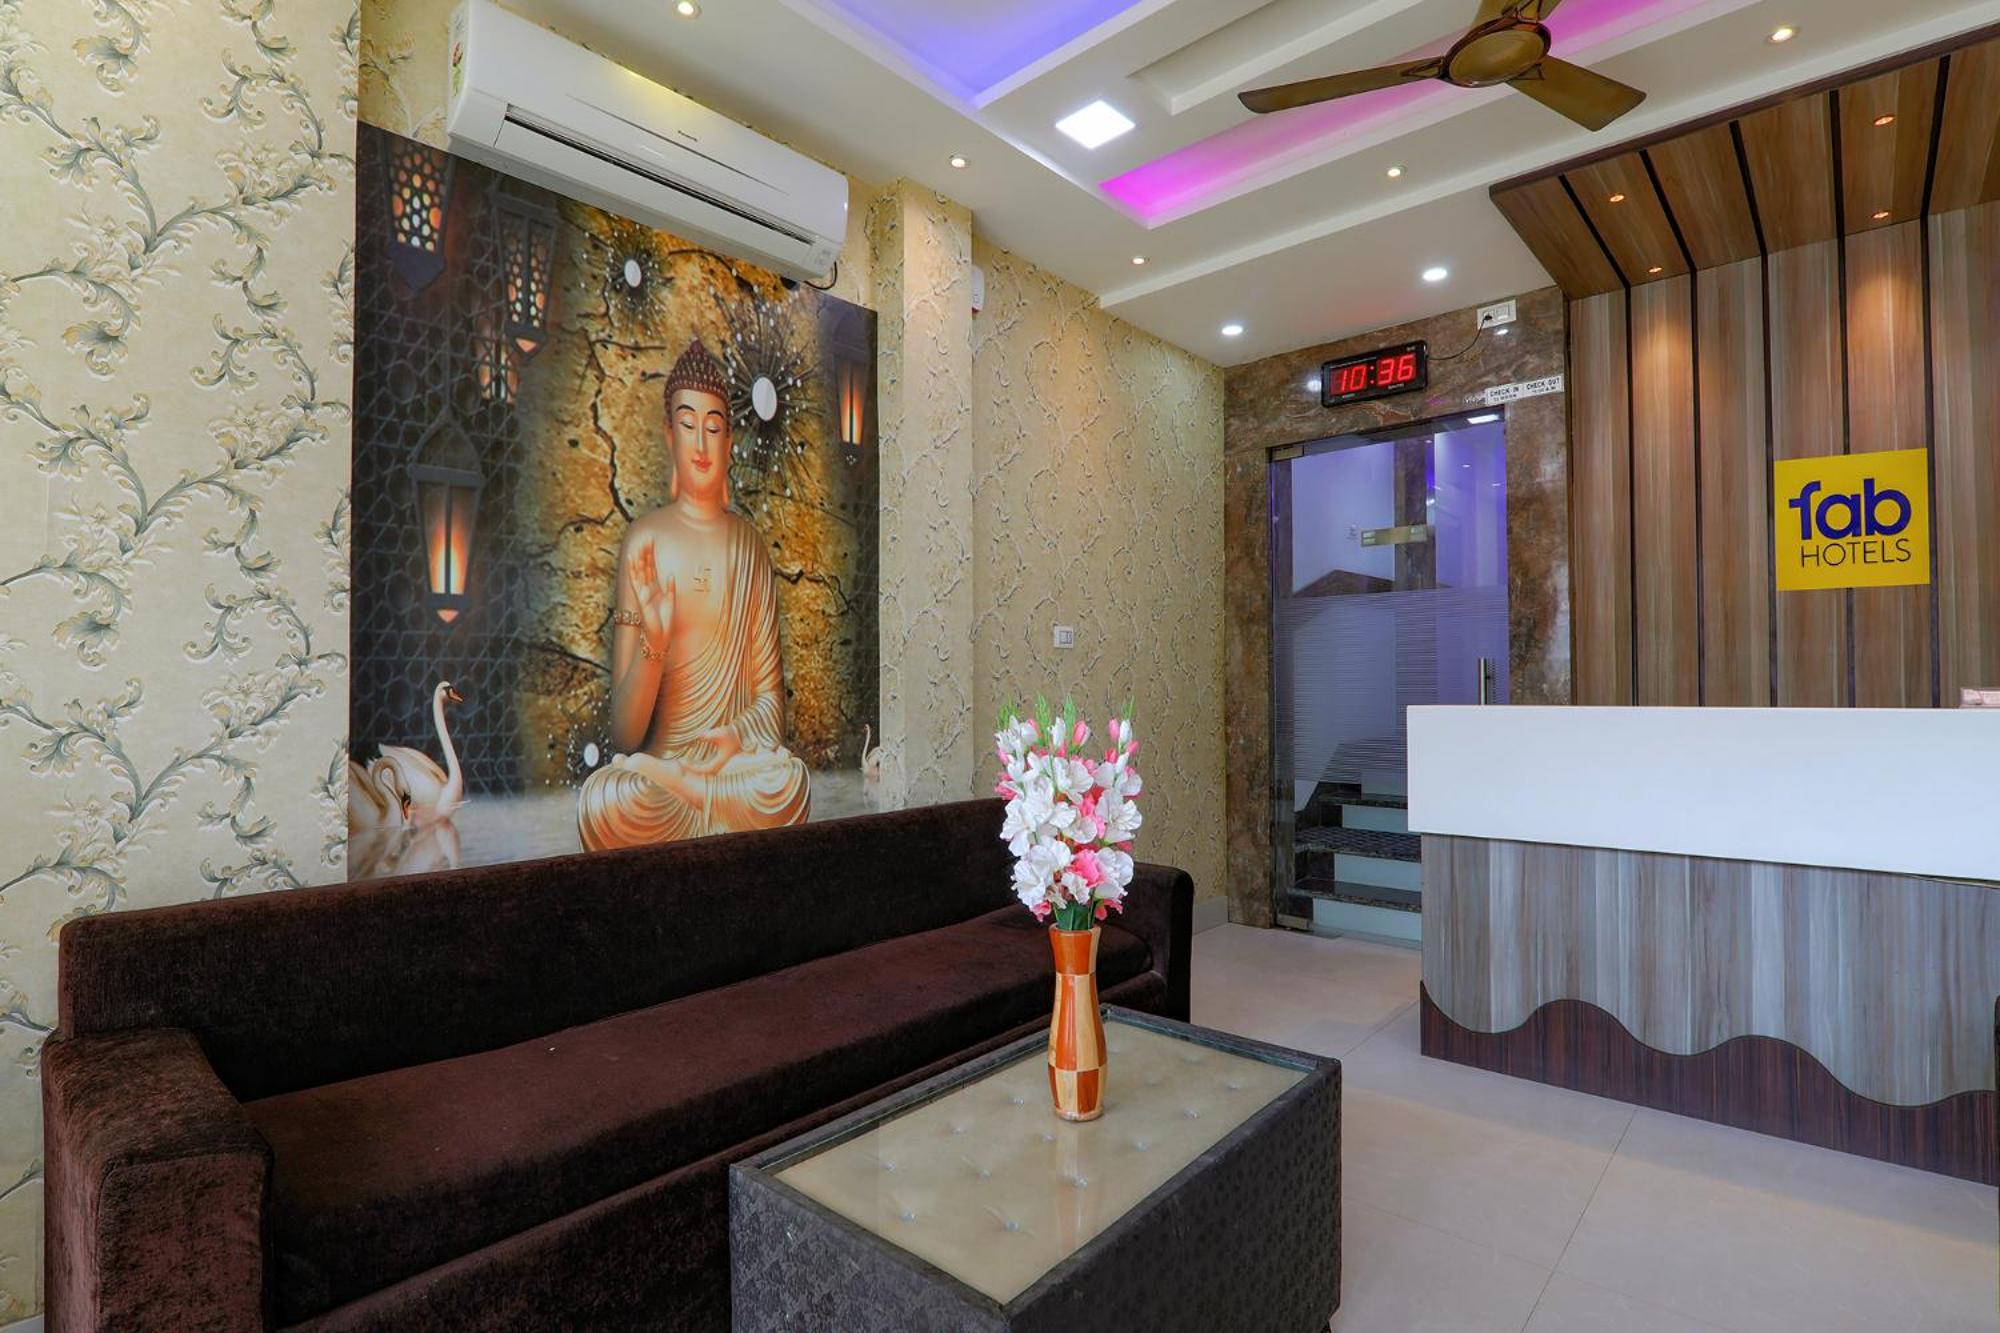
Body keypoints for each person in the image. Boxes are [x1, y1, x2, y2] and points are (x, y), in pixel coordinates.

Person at [576, 338, 810, 850]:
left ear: (729, 442)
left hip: (733, 773)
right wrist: (654, 642)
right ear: (669, 434)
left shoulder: (748, 546)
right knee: (606, 800)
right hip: (659, 775)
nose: (701, 444)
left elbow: (770, 706)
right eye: (687, 425)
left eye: (713, 427)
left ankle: (699, 792)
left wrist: (734, 736)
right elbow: (625, 735)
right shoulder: (644, 540)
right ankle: (690, 791)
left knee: (788, 783)